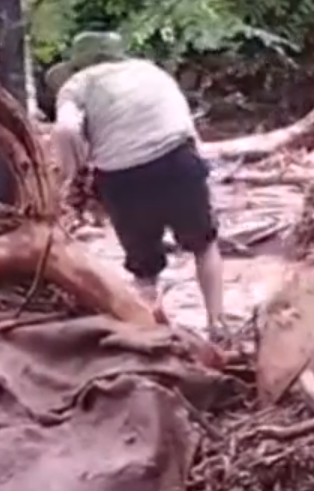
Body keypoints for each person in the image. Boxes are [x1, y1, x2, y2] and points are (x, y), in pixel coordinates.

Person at [45, 32, 229, 336]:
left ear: (78, 64)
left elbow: (65, 129)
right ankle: (217, 323)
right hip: (178, 159)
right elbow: (183, 121)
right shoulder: (150, 71)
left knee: (143, 267)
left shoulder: (76, 84)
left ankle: (149, 332)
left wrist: (73, 171)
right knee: (204, 244)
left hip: (123, 178)